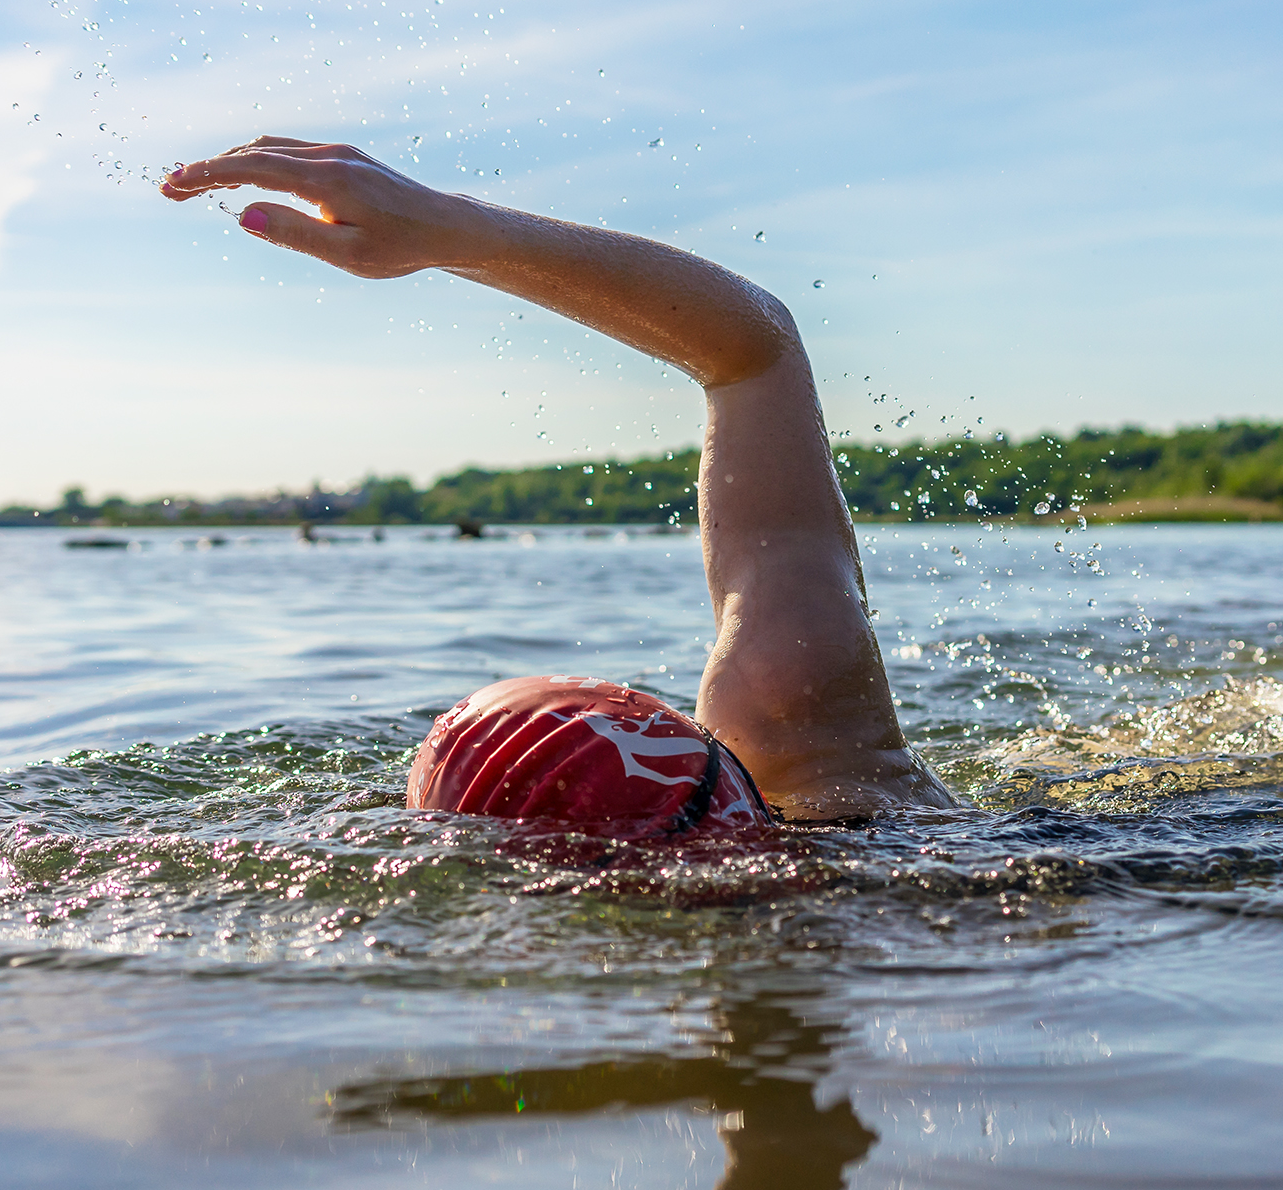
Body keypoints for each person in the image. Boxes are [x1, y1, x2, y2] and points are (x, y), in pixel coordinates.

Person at [162, 139, 957, 826]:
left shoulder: (815, 766)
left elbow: (756, 358)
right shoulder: (818, 758)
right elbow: (757, 351)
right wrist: (454, 230)